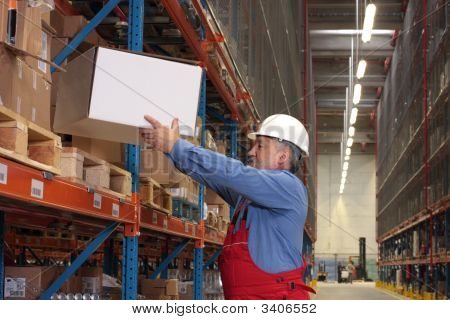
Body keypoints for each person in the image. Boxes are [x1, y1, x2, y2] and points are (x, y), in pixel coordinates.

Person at [141, 113, 315, 300]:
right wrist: (170, 148)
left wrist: (177, 147)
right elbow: (214, 177)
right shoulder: (248, 198)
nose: (251, 152)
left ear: (283, 156)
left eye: (261, 146)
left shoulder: (290, 187)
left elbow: (234, 173)